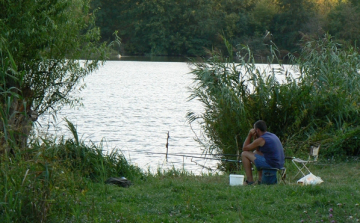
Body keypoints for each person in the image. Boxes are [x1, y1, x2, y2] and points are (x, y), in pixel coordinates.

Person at [241, 120, 285, 185]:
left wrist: (249, 135)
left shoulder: (262, 139)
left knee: (244, 154)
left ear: (257, 130)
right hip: (279, 164)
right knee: (255, 152)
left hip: (271, 164)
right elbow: (258, 150)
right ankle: (260, 179)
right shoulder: (272, 135)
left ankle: (249, 181)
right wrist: (255, 138)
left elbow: (244, 148)